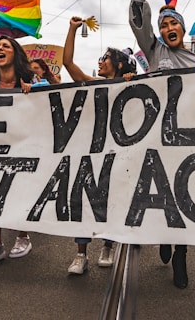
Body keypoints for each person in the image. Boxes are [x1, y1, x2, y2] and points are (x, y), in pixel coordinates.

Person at [128, 0, 195, 289]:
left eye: (174, 22)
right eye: (164, 23)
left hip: (190, 137)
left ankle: (181, 252)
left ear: (182, 29)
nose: (169, 26)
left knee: (185, 192)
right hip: (157, 137)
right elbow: (138, 19)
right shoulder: (154, 50)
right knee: (162, 191)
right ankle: (164, 237)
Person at [63, 15, 137, 275]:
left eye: (105, 58)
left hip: (118, 153)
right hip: (92, 152)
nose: (99, 62)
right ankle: (80, 254)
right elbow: (68, 64)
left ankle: (108, 245)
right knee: (83, 200)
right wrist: (72, 29)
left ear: (118, 64)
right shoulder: (93, 84)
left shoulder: (131, 85)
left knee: (112, 200)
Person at [0, 36, 34, 266]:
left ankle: (22, 236)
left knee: (19, 191)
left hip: (22, 146)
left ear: (15, 54)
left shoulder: (31, 84)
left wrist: (35, 92)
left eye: (6, 46)